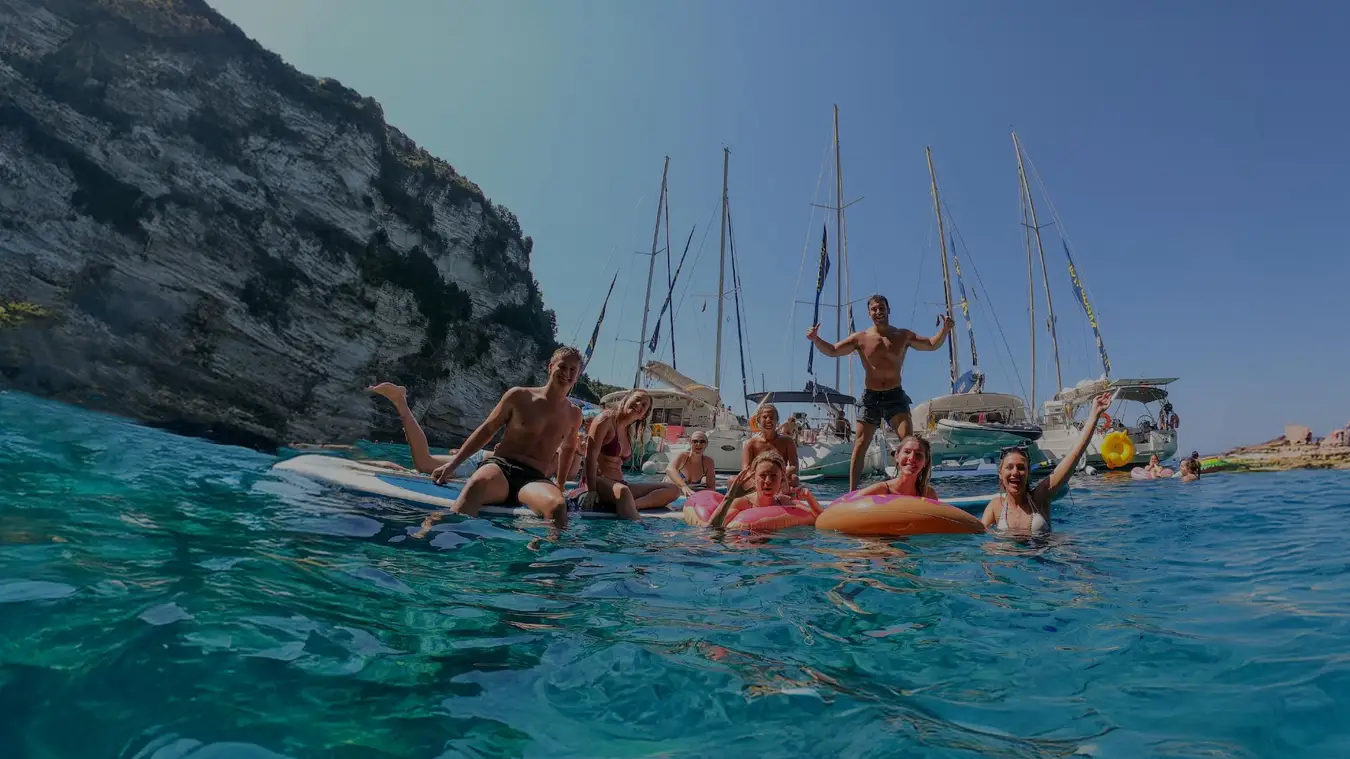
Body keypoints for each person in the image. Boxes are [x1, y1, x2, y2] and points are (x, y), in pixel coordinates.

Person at [375, 346, 584, 532]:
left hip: (534, 479)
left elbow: (568, 449)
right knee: (477, 483)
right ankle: (431, 533)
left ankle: (545, 558)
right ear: (551, 367)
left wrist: (560, 484)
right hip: (502, 467)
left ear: (577, 376)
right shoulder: (519, 396)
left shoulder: (574, 414)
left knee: (558, 507)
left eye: (572, 370)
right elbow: (486, 430)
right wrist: (453, 465)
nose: (566, 373)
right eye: (562, 367)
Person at [806, 294, 955, 491]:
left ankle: (913, 489)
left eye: (881, 308)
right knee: (860, 445)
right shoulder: (861, 338)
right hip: (871, 397)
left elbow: (931, 344)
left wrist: (944, 330)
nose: (878, 312)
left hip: (895, 396)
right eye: (874, 309)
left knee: (909, 443)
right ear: (869, 313)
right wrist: (816, 339)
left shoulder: (902, 335)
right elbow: (833, 350)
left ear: (888, 309)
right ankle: (852, 493)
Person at [980, 392, 1111, 535]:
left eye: (1021, 467)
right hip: (1007, 550)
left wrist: (1094, 415)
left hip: (1046, 548)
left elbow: (1073, 457)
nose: (1015, 472)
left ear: (1028, 473)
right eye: (1009, 467)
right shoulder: (995, 506)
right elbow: (978, 535)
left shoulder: (1040, 497)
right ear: (1000, 473)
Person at [582, 389, 680, 518]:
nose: (639, 404)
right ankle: (634, 523)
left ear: (643, 416)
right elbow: (590, 456)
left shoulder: (628, 431)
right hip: (598, 481)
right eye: (637, 399)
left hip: (619, 484)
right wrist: (591, 490)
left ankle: (633, 505)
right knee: (624, 491)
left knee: (673, 490)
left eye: (644, 405)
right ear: (625, 400)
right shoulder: (606, 419)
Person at [707, 450, 823, 529]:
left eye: (774, 476)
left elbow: (822, 520)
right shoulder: (742, 503)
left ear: (781, 479)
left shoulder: (783, 501)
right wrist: (729, 497)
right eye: (762, 475)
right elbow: (711, 530)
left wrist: (809, 498)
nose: (768, 481)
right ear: (754, 478)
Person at [724, 403, 800, 501]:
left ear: (777, 420)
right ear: (759, 420)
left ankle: (787, 504)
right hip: (757, 481)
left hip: (779, 479)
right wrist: (758, 482)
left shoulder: (787, 441)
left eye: (772, 417)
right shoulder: (751, 443)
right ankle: (731, 505)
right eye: (765, 417)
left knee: (794, 479)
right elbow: (745, 470)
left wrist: (781, 476)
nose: (768, 420)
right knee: (732, 480)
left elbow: (794, 466)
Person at [851, 435, 938, 499]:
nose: (911, 458)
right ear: (897, 456)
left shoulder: (929, 495)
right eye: (907, 452)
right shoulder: (879, 490)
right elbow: (848, 505)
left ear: (925, 462)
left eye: (918, 454)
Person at [664, 430, 716, 497]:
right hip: (669, 490)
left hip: (687, 493)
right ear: (690, 443)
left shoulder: (708, 462)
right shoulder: (683, 456)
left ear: (706, 444)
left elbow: (711, 488)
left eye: (702, 441)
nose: (698, 444)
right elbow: (669, 469)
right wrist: (683, 486)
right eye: (695, 441)